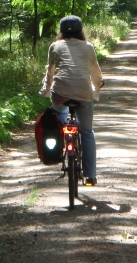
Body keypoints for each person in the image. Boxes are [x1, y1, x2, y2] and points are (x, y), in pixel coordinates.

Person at [39, 15, 103, 186]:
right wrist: (97, 89)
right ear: (81, 30)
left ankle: (63, 142)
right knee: (87, 132)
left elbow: (50, 73)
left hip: (60, 94)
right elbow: (95, 72)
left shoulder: (55, 46)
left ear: (61, 31)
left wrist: (46, 91)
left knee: (61, 121)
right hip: (83, 94)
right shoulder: (88, 47)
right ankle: (90, 175)